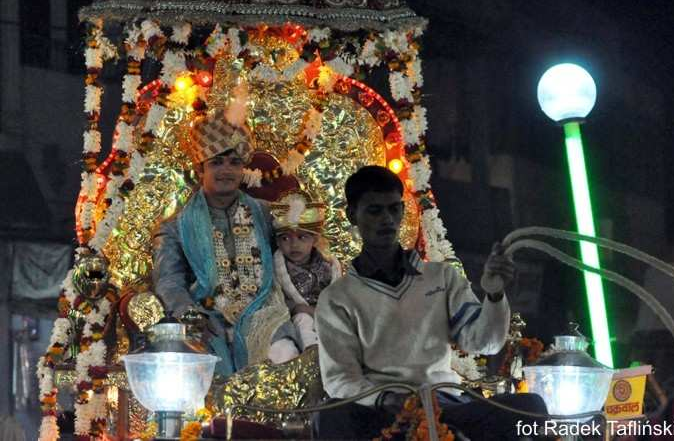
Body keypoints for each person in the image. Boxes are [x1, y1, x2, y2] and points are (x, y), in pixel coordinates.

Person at [314, 165, 547, 440]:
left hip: (444, 404)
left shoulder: (441, 277)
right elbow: (340, 379)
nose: (387, 219)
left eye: (393, 209)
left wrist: (494, 294)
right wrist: (389, 400)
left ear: (403, 211)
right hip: (382, 412)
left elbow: (485, 343)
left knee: (532, 408)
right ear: (352, 215)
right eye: (374, 211)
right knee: (329, 415)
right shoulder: (337, 297)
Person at [152, 110, 289, 377]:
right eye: (216, 163)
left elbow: (300, 252)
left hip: (265, 312)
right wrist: (188, 314)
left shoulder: (268, 215)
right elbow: (168, 281)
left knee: (283, 355)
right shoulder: (175, 227)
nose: (226, 170)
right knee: (207, 366)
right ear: (199, 169)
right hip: (208, 318)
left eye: (234, 162)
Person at [267, 191, 342, 364]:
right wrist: (296, 308)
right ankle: (311, 356)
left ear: (315, 239)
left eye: (302, 237)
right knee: (303, 320)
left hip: (327, 318)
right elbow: (274, 300)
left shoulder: (329, 265)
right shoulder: (276, 267)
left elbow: (339, 297)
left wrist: (320, 312)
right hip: (294, 320)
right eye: (285, 238)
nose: (294, 245)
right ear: (277, 242)